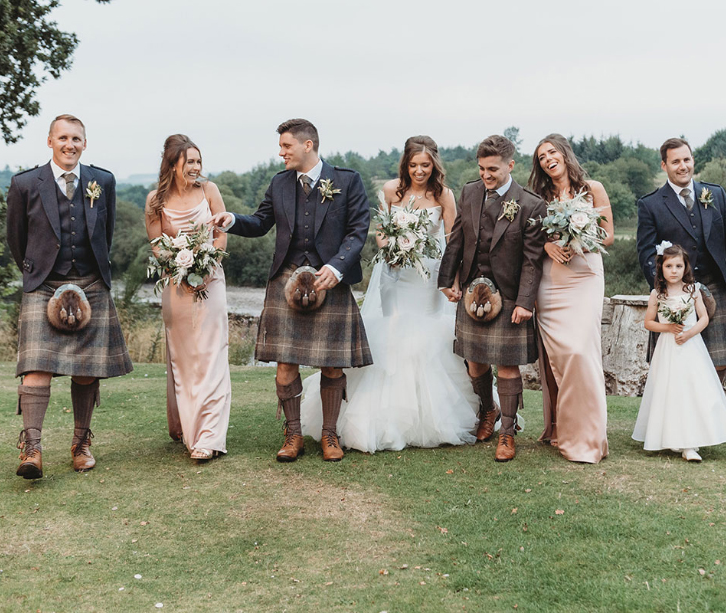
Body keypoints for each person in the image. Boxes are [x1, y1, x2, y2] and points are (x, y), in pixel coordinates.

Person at [300, 136, 479, 451]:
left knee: (425, 334)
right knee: (392, 330)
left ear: (434, 164)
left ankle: (429, 415)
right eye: (413, 165)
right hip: (395, 274)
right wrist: (391, 248)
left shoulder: (445, 196)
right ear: (405, 164)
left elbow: (454, 240)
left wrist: (454, 280)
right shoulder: (390, 191)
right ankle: (377, 415)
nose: (419, 171)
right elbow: (381, 231)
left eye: (425, 165)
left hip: (429, 276)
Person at [210, 118, 372, 462]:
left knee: (331, 365)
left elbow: (358, 231)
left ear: (307, 145)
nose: (281, 152)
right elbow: (261, 222)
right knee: (285, 365)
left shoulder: (347, 180)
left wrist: (337, 266)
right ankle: (293, 434)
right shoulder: (280, 183)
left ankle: (330, 435)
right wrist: (233, 220)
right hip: (286, 281)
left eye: (286, 146)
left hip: (330, 279)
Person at [5, 114, 133, 479]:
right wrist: (35, 271)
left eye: (76, 138)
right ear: (50, 141)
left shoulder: (102, 181)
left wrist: (92, 274)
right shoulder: (26, 183)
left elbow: (104, 234)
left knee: (86, 373)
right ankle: (32, 449)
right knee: (35, 371)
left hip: (90, 283)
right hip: (43, 283)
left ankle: (81, 444)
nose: (70, 144)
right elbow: (17, 238)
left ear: (85, 143)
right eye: (63, 138)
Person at [438, 135, 548, 462]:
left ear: (511, 165)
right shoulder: (470, 192)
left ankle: (507, 433)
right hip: (473, 292)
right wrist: (448, 281)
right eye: (482, 168)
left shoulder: (530, 204)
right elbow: (457, 239)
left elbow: (532, 260)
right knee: (474, 361)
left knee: (508, 366)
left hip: (510, 295)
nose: (487, 175)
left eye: (494, 169)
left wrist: (526, 302)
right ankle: (489, 410)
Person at [527, 134, 613, 464]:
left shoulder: (593, 189)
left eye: (552, 152)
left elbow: (608, 235)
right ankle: (559, 427)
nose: (548, 158)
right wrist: (548, 245)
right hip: (551, 280)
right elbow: (531, 239)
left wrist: (581, 238)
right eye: (541, 156)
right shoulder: (538, 197)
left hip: (585, 275)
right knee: (557, 356)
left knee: (580, 350)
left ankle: (588, 435)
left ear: (564, 154)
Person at [145, 135, 231, 461]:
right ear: (173, 165)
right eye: (189, 162)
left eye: (198, 161)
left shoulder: (209, 192)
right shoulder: (155, 200)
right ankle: (187, 424)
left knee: (211, 355)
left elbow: (221, 234)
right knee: (183, 359)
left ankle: (208, 436)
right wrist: (179, 264)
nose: (196, 167)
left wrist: (207, 265)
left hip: (211, 283)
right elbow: (157, 246)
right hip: (176, 286)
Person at [636, 138, 726, 379]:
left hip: (715, 283)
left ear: (693, 160)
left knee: (721, 360)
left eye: (687, 159)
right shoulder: (650, 204)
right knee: (677, 359)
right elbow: (646, 253)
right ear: (664, 165)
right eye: (675, 161)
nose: (683, 166)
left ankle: (712, 414)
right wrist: (664, 291)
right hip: (675, 290)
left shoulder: (715, 194)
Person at [632, 243, 726, 462]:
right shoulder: (657, 294)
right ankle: (671, 437)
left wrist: (689, 333)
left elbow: (704, 318)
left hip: (691, 347)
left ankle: (690, 443)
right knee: (670, 390)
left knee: (692, 389)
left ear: (685, 267)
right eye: (669, 266)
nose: (674, 270)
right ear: (661, 268)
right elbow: (648, 323)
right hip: (668, 348)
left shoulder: (693, 290)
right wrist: (668, 328)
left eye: (678, 266)